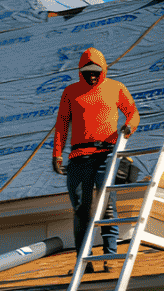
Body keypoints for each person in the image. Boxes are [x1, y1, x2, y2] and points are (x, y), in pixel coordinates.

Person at [51, 47, 140, 267]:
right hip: (79, 157)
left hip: (105, 154)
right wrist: (57, 155)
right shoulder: (71, 92)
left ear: (103, 69)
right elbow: (62, 124)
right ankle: (83, 260)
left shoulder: (115, 88)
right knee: (81, 208)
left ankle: (110, 257)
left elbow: (133, 113)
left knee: (106, 204)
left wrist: (128, 128)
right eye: (87, 71)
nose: (91, 75)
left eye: (95, 71)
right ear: (81, 71)